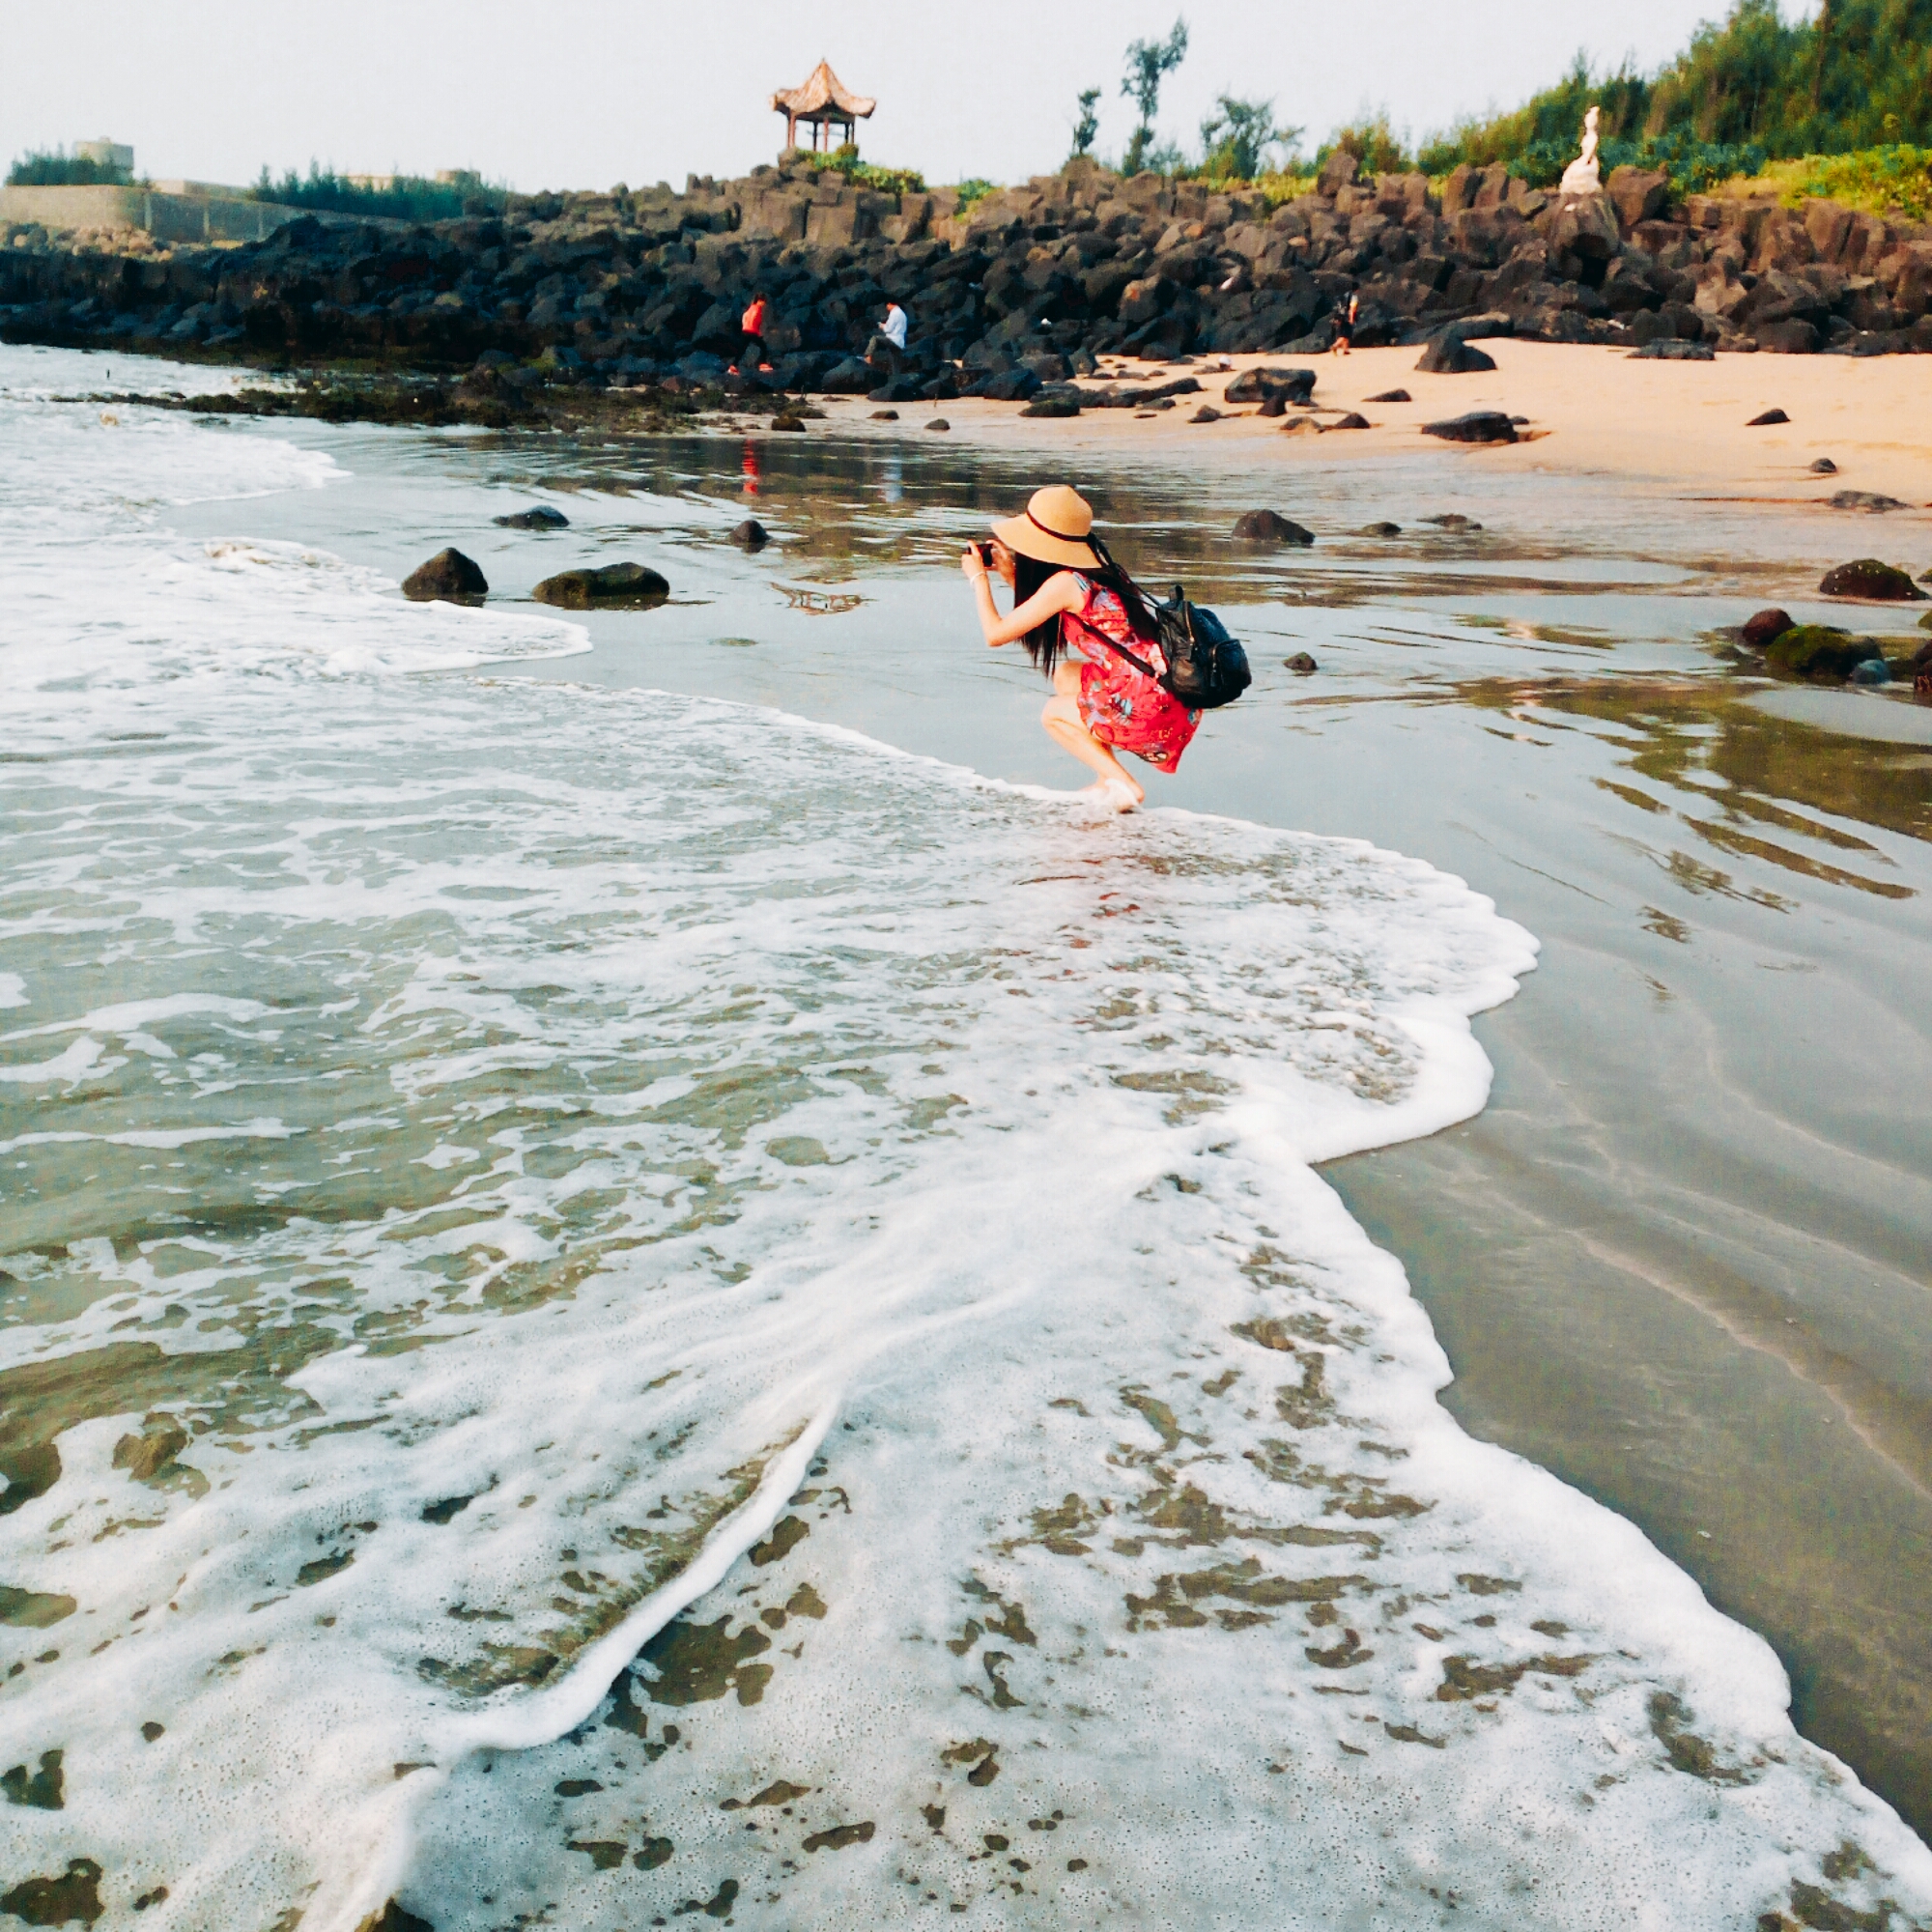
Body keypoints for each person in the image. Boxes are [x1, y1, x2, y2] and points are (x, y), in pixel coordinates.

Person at [960, 485, 1199, 813]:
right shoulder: (1102, 572)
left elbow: (995, 633)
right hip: (1173, 701)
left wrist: (978, 580)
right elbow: (1052, 614)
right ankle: (1106, 779)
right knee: (1066, 675)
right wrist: (1009, 575)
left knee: (1053, 714)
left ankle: (1125, 785)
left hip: (1150, 711)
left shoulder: (1065, 584)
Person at [866, 299, 909, 378]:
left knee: (875, 339)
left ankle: (868, 357)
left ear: (890, 304)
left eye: (887, 305)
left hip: (893, 340)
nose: (887, 308)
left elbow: (888, 329)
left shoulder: (894, 313)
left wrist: (881, 325)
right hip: (900, 343)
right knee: (895, 364)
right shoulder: (902, 314)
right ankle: (897, 380)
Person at [731, 292, 772, 375]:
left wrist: (745, 326)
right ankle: (762, 364)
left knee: (742, 350)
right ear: (760, 300)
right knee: (763, 346)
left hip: (745, 330)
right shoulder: (757, 308)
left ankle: (733, 366)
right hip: (752, 331)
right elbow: (755, 319)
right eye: (764, 301)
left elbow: (744, 316)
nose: (764, 303)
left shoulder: (750, 307)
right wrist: (757, 331)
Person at [1330, 289, 1359, 355]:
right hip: (1347, 317)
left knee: (1343, 332)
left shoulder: (1341, 298)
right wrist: (1351, 318)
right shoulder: (1353, 297)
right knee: (1346, 334)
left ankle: (1345, 349)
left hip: (1340, 317)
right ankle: (1335, 346)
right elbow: (1352, 308)